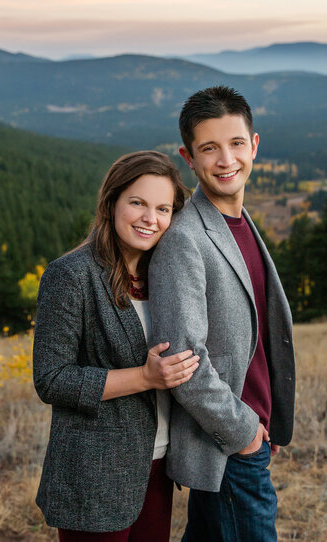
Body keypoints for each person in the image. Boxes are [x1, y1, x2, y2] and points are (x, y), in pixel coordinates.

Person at [148, 86, 296, 541]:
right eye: (209, 148)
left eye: (235, 144)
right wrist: (245, 431)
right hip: (227, 447)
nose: (226, 159)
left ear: (254, 145)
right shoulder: (184, 239)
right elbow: (184, 362)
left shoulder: (242, 221)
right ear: (188, 157)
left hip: (249, 433)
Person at [32, 150, 197, 542]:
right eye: (137, 203)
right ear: (111, 202)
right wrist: (144, 376)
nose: (149, 219)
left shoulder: (165, 277)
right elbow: (52, 380)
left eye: (162, 208)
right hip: (94, 471)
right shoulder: (71, 275)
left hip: (157, 463)